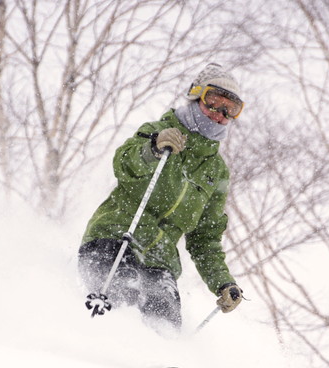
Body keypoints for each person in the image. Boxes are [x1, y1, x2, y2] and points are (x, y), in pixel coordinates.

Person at [79, 62, 244, 333]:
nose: (219, 114)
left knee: (165, 318)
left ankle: (160, 361)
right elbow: (124, 165)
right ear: (196, 95)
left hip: (160, 260)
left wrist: (222, 282)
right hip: (116, 237)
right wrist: (152, 148)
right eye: (213, 101)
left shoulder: (215, 171)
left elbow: (205, 239)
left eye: (230, 109)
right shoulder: (159, 131)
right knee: (125, 296)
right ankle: (99, 348)